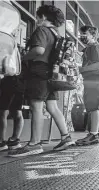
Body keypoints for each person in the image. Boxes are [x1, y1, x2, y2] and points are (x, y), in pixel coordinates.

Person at [9, 5, 74, 157]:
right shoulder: (56, 34)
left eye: (38, 17)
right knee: (52, 106)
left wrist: (21, 58)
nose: (37, 19)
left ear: (44, 17)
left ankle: (34, 144)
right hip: (52, 73)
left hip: (39, 71)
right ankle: (65, 137)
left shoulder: (42, 30)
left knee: (36, 106)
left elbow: (39, 50)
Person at [75, 26, 99, 146]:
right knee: (91, 107)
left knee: (94, 108)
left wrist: (82, 69)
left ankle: (94, 134)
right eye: (81, 34)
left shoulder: (94, 47)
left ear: (93, 36)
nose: (82, 36)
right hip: (90, 80)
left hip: (95, 80)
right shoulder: (88, 49)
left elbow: (98, 64)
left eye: (84, 34)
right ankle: (92, 133)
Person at [0, 74, 24, 151]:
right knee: (17, 111)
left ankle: (0, 142)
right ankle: (14, 141)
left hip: (7, 81)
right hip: (20, 82)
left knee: (2, 111)